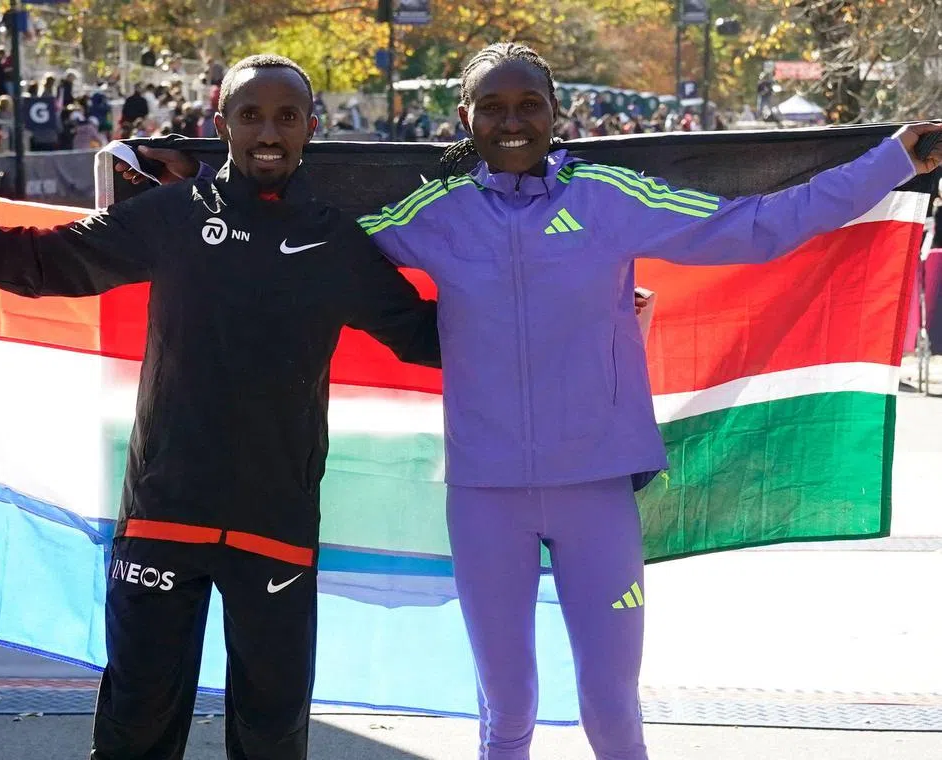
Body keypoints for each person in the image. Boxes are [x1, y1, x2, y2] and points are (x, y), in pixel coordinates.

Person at [127, 42, 942, 760]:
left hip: (595, 491)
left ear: (557, 115)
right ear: (466, 118)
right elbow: (303, 226)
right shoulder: (434, 212)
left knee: (612, 713)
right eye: (493, 106)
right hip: (485, 497)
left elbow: (760, 227)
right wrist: (206, 179)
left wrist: (891, 160)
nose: (511, 120)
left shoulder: (610, 198)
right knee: (507, 712)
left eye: (529, 105)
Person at [0, 53, 440, 760]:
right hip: (166, 514)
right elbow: (36, 263)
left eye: (286, 116)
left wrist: (572, 308)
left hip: (276, 524)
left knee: (272, 739)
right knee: (135, 731)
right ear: (221, 124)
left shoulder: (335, 241)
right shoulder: (171, 216)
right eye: (252, 114)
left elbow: (426, 337)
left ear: (310, 129)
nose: (269, 130)